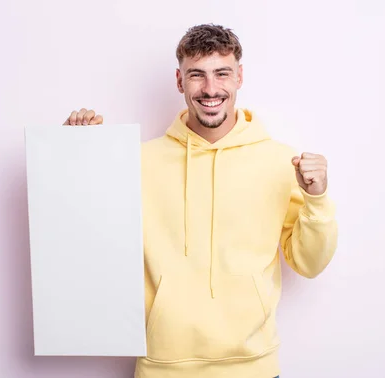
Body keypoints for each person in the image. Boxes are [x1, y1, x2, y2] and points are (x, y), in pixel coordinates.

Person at [63, 23, 338, 378]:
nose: (210, 89)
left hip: (253, 368)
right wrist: (74, 154)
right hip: (162, 367)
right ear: (180, 81)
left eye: (222, 73)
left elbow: (309, 264)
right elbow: (86, 235)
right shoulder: (136, 162)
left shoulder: (281, 162)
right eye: (197, 75)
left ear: (239, 77)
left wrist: (316, 198)